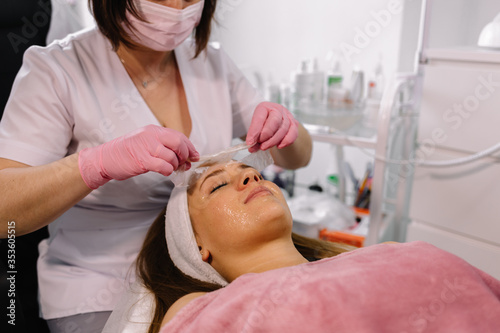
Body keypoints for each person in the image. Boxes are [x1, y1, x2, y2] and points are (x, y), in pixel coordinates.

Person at [0, 0, 312, 331]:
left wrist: (286, 132)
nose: (177, 7)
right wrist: (95, 165)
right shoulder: (57, 70)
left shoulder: (212, 63)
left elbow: (298, 158)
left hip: (207, 280)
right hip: (100, 293)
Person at [128, 160, 500, 333]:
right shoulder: (194, 305)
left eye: (250, 171)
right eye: (218, 185)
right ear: (196, 245)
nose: (250, 174)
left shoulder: (381, 253)